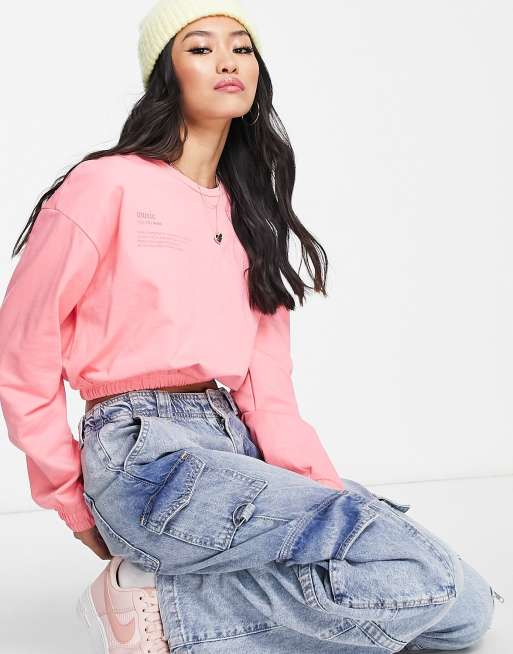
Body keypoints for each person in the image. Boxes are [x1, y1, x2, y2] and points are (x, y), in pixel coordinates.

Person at [0, 0, 503, 652]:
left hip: (235, 445)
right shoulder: (106, 186)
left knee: (463, 611)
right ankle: (151, 608)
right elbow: (22, 347)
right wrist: (68, 499)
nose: (228, 61)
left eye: (241, 47)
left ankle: (167, 605)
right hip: (143, 454)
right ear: (165, 74)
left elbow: (268, 389)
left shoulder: (252, 216)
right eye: (200, 47)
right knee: (419, 577)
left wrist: (318, 490)